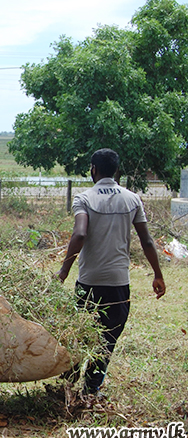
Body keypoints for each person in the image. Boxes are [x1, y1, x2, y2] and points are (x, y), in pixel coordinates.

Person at [56, 148, 165, 396]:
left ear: (93, 169)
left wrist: (63, 272)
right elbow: (147, 241)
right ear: (116, 170)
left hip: (88, 283)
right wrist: (157, 274)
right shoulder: (132, 199)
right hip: (118, 283)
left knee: (81, 334)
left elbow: (80, 234)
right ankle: (92, 389)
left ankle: (67, 381)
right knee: (108, 339)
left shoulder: (84, 199)